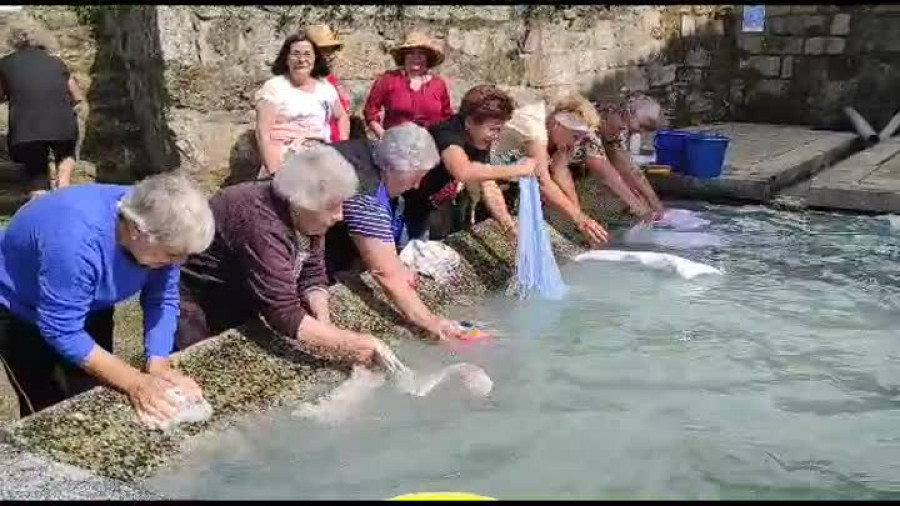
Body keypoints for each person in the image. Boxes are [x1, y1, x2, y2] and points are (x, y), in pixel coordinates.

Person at [0, 172, 214, 422]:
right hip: (21, 308)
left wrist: (158, 364)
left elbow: (161, 297)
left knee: (93, 397)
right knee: (48, 411)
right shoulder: (76, 242)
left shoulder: (158, 219)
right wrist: (135, 381)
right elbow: (62, 330)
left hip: (89, 303)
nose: (178, 262)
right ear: (137, 230)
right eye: (172, 253)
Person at [177, 144, 387, 367]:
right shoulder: (258, 221)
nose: (340, 216)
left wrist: (326, 327)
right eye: (333, 207)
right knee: (204, 365)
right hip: (199, 300)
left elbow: (312, 271)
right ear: (301, 203)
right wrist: (353, 344)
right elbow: (283, 313)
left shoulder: (307, 216)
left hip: (244, 287)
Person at [324, 123, 464, 341]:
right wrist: (429, 321)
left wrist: (397, 265)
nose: (417, 186)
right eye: (415, 177)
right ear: (394, 169)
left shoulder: (371, 150)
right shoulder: (365, 193)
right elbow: (385, 274)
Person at [439, 88, 610, 247]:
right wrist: (580, 220)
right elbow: (543, 182)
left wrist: (578, 218)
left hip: (498, 176)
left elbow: (560, 172)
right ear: (559, 125)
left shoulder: (559, 138)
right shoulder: (535, 130)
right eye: (576, 136)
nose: (577, 142)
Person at [401, 84, 538, 242]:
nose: (496, 136)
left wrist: (509, 226)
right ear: (469, 122)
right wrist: (518, 170)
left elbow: (488, 183)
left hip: (434, 206)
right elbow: (463, 171)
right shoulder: (447, 133)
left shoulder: (479, 139)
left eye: (500, 129)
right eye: (493, 129)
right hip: (402, 207)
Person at [0, 19, 86, 200]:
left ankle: (39, 206)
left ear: (12, 40)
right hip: (62, 124)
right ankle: (63, 186)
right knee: (66, 153)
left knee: (37, 172)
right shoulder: (57, 62)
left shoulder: (5, 64)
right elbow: (77, 96)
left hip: (26, 130)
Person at [255, 31, 348, 177]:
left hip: (321, 160)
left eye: (307, 54)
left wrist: (342, 146)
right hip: (285, 162)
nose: (302, 59)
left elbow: (342, 116)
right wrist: (274, 171)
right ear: (286, 58)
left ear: (315, 58)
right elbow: (263, 133)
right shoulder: (274, 87)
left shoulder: (325, 87)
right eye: (296, 54)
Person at [568, 93, 666, 222]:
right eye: (642, 126)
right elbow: (606, 173)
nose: (640, 132)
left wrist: (653, 201)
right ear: (628, 114)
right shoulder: (588, 123)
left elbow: (626, 166)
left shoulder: (618, 124)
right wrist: (638, 207)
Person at [363, 31, 452, 139]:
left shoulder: (438, 84)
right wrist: (384, 136)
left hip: (432, 145)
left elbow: (447, 118)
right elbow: (370, 111)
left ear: (428, 58)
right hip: (396, 145)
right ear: (404, 57)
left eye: (421, 54)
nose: (416, 58)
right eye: (411, 53)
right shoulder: (389, 79)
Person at [306, 24, 352, 143]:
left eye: (330, 51)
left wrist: (343, 144)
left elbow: (343, 116)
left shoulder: (330, 81)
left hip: (335, 145)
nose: (329, 56)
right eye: (324, 51)